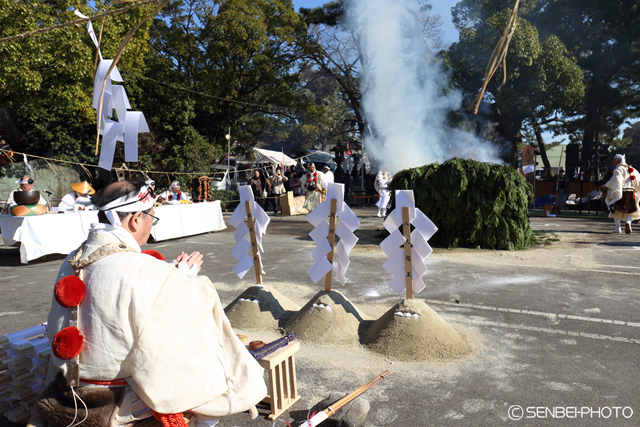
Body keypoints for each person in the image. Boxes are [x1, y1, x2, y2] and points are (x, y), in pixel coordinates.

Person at [40, 181, 266, 427]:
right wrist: (185, 280)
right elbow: (185, 311)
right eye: (151, 218)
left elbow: (125, 286)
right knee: (214, 370)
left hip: (69, 387)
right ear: (136, 218)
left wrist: (172, 275)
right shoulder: (140, 269)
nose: (150, 226)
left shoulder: (73, 258)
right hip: (115, 398)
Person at [600, 154, 640, 234]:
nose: (613, 163)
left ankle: (618, 228)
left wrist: (606, 186)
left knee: (616, 210)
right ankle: (628, 222)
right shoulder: (633, 169)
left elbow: (616, 180)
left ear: (616, 161)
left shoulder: (618, 169)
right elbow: (638, 180)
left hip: (621, 192)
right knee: (630, 209)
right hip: (632, 192)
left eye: (613, 161)